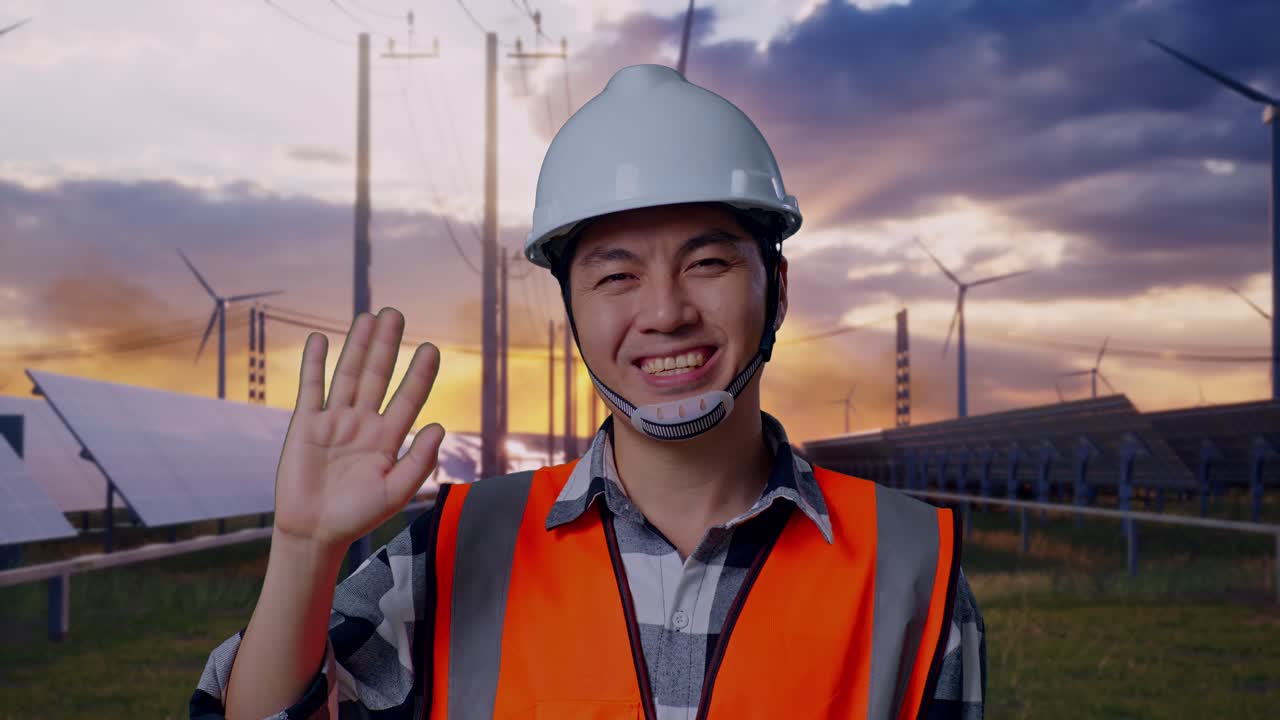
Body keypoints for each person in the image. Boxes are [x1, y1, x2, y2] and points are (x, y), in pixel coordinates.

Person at [191, 64, 984, 720]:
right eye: (616, 276)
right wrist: (303, 550)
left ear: (776, 288)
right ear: (570, 310)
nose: (666, 312)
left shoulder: (912, 566)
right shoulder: (456, 550)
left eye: (708, 263)